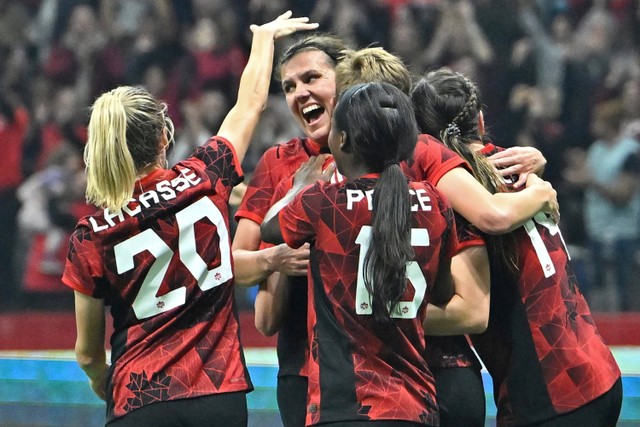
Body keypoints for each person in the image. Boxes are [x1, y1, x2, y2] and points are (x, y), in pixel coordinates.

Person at [60, 12, 318, 427]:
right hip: (217, 396)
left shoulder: (90, 236)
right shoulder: (205, 175)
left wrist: (105, 384)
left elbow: (88, 353)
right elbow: (248, 103)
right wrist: (263, 39)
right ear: (164, 137)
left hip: (138, 399)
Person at [333, 46, 554, 427]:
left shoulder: (425, 157)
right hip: (388, 377)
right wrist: (539, 183)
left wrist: (372, 313)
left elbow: (472, 306)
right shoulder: (329, 177)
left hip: (424, 375)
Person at [260, 81, 484, 426]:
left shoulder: (322, 201)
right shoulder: (436, 202)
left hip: (343, 408)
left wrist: (298, 187)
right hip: (415, 408)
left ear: (343, 140)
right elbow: (439, 292)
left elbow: (269, 228)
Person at [411, 67, 623, 427]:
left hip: (548, 396)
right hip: (599, 374)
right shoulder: (519, 168)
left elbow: (471, 312)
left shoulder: (456, 199)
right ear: (480, 119)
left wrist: (376, 318)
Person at [232, 33, 352, 427]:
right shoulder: (278, 162)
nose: (300, 93)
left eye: (312, 78)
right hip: (301, 369)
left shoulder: (387, 149)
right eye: (289, 86)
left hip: (382, 366)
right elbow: (236, 264)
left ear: (346, 79)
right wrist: (277, 256)